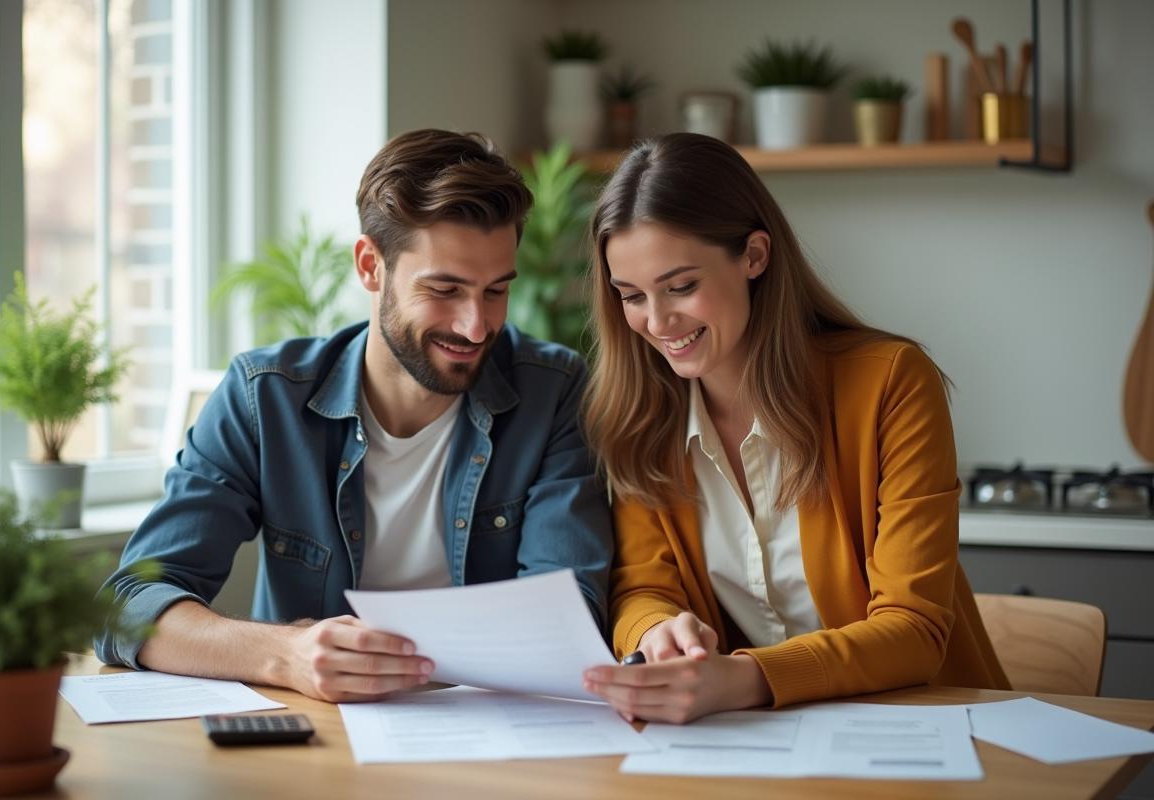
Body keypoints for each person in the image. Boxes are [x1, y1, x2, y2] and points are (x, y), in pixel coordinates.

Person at [96, 129, 613, 703]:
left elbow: (569, 616)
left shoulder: (555, 392)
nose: (475, 325)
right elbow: (128, 606)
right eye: (444, 289)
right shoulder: (265, 399)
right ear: (371, 266)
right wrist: (285, 655)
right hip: (317, 741)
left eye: (496, 291)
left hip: (491, 735)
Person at [579, 133, 1009, 724]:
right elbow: (642, 587)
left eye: (682, 287)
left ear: (755, 255)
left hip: (930, 729)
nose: (656, 322)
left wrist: (745, 677)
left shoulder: (889, 383)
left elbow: (913, 629)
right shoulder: (640, 419)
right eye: (631, 296)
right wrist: (657, 631)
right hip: (762, 744)